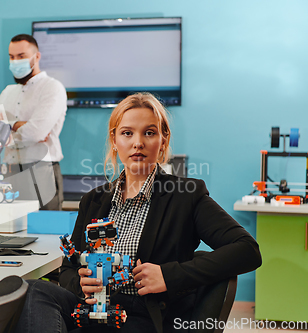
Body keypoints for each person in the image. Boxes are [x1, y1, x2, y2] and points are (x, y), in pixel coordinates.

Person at [14, 92, 262, 333]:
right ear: (114, 140)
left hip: (142, 314)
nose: (138, 143)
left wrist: (169, 275)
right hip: (91, 308)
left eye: (150, 133)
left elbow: (247, 250)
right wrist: (79, 282)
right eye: (127, 133)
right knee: (33, 290)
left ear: (163, 140)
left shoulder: (186, 195)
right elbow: (69, 266)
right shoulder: (93, 200)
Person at [0, 34, 67, 210]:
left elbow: (36, 132)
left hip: (41, 171)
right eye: (12, 57)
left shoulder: (52, 87)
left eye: (21, 56)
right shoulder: (7, 92)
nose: (15, 61)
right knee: (11, 232)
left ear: (37, 56)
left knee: (46, 231)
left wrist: (9, 125)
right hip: (10, 172)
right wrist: (20, 125)